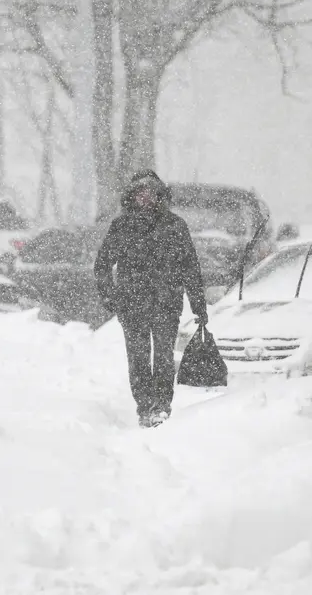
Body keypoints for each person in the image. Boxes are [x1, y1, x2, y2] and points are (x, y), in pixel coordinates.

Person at [93, 168, 207, 428]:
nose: (146, 198)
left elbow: (190, 267)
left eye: (151, 193)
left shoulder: (175, 225)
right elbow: (102, 264)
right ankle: (145, 406)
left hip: (167, 303)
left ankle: (162, 405)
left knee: (164, 357)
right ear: (132, 196)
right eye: (141, 193)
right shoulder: (121, 226)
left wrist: (198, 302)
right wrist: (110, 297)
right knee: (138, 358)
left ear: (160, 196)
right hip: (131, 304)